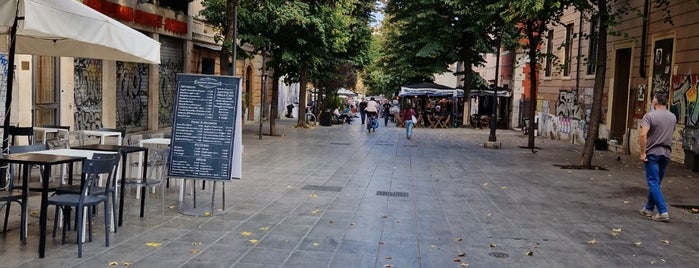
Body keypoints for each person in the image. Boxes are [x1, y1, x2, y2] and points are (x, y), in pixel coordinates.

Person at [638, 92, 676, 222]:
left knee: (653, 182)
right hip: (666, 153)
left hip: (653, 153)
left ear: (654, 103)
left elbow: (643, 135)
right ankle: (648, 209)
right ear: (666, 103)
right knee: (657, 182)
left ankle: (663, 211)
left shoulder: (649, 116)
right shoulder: (673, 117)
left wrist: (643, 153)